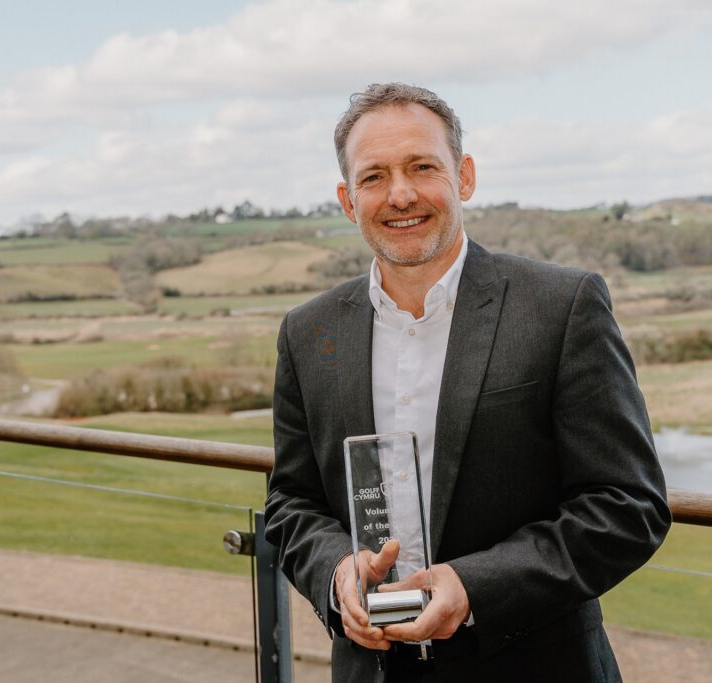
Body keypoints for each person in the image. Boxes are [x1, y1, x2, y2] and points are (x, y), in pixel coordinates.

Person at [264, 82, 670, 682]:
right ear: (349, 200)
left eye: (422, 167)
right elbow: (291, 502)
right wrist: (336, 572)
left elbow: (627, 505)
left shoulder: (561, 306)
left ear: (465, 177)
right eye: (374, 176)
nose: (401, 194)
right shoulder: (308, 332)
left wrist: (474, 586)